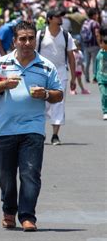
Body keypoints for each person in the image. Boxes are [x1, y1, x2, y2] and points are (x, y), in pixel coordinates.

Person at [0, 21, 63, 232]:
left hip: (33, 129)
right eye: (22, 39)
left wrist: (44, 94)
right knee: (5, 175)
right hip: (5, 129)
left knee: (30, 173)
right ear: (14, 41)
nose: (27, 43)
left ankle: (27, 216)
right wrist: (4, 84)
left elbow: (58, 94)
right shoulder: (1, 64)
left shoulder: (46, 65)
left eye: (31, 38)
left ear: (36, 39)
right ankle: (9, 210)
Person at [36, 9, 77, 145]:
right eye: (58, 16)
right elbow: (33, 54)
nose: (61, 19)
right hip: (42, 73)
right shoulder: (40, 35)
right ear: (49, 19)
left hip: (60, 73)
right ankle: (39, 132)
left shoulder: (66, 36)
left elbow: (71, 57)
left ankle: (55, 135)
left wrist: (73, 77)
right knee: (42, 104)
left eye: (61, 16)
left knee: (58, 104)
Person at [82, 8, 101, 83]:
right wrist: (100, 44)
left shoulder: (85, 22)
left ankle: (86, 78)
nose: (97, 15)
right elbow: (96, 34)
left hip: (86, 45)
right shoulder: (95, 23)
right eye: (96, 14)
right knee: (95, 62)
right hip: (94, 45)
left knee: (87, 62)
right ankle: (95, 78)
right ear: (93, 15)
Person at [94, 25, 107, 120]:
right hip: (101, 78)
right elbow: (96, 65)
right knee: (104, 94)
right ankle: (105, 111)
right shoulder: (100, 53)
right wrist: (95, 75)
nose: (102, 45)